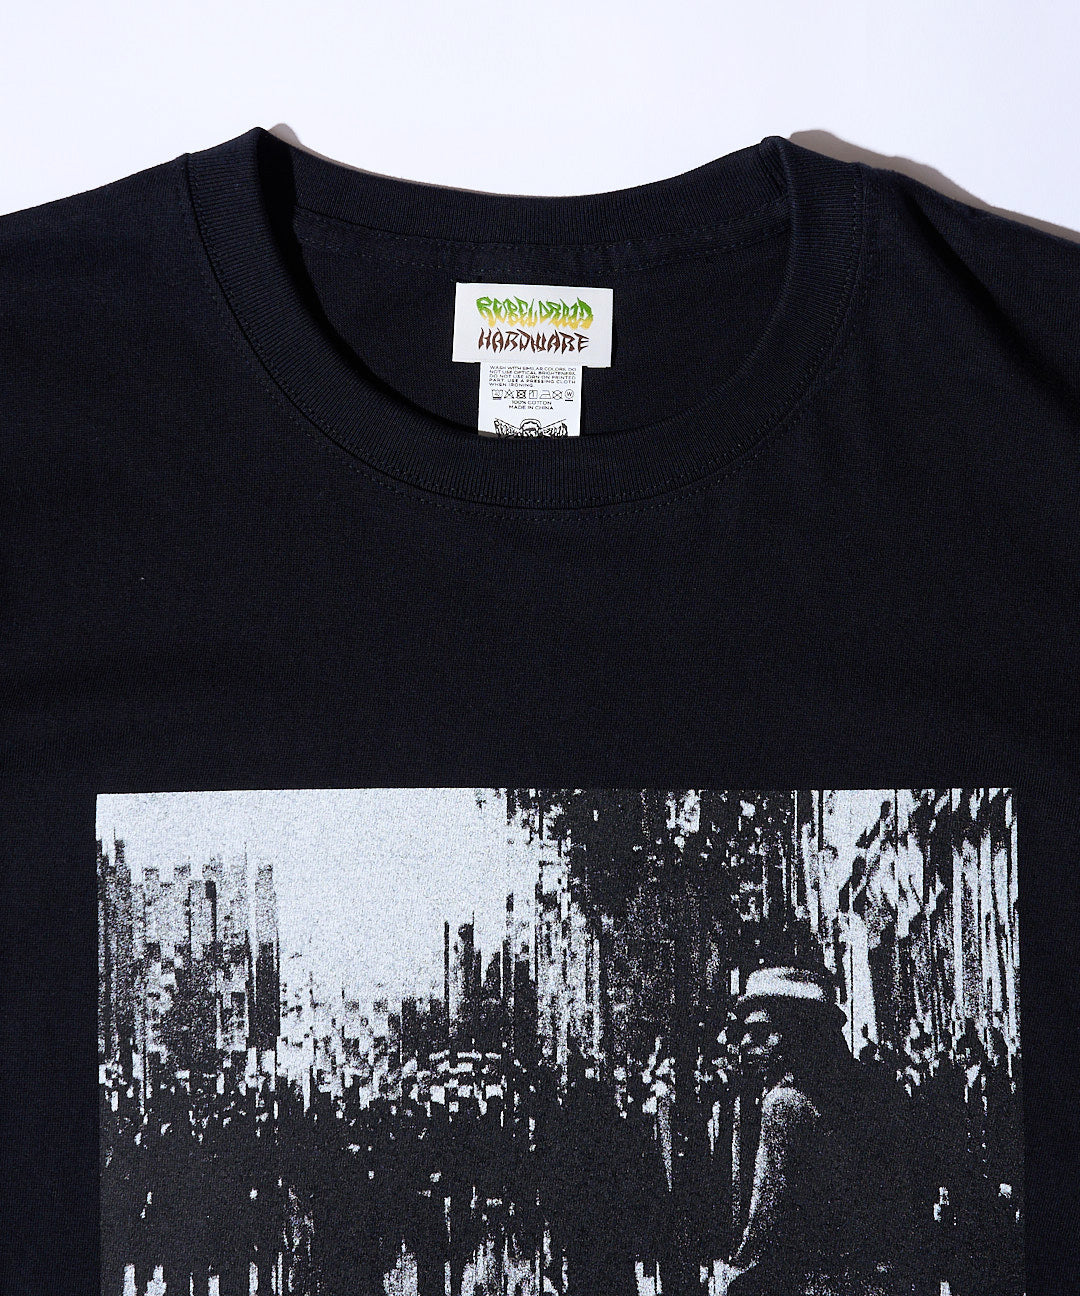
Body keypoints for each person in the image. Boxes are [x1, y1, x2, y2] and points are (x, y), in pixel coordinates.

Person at [718, 966, 917, 1296]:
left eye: (762, 1033)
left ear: (798, 1033)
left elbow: (766, 1214)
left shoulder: (784, 1103)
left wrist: (736, 1270)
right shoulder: (874, 1094)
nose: (747, 1045)